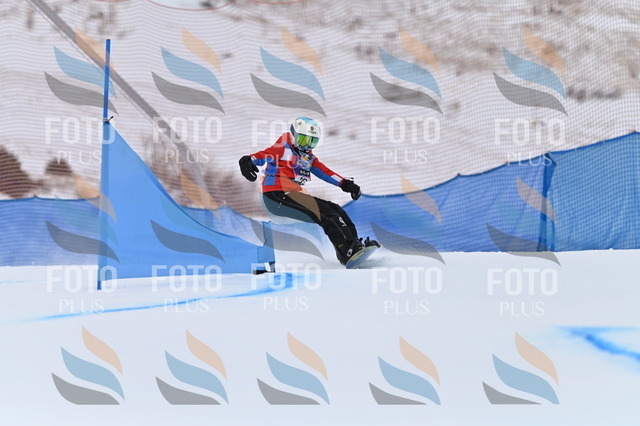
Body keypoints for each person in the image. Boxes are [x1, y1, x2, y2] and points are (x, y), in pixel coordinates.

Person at [239, 117, 379, 265]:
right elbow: (263, 155)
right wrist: (247, 160)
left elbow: (325, 172)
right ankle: (347, 250)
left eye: (312, 141)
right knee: (324, 215)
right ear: (294, 135)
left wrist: (345, 183)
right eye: (303, 140)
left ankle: (353, 246)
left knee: (335, 209)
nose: (307, 145)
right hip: (275, 196)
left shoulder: (307, 158)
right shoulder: (283, 148)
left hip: (292, 195)